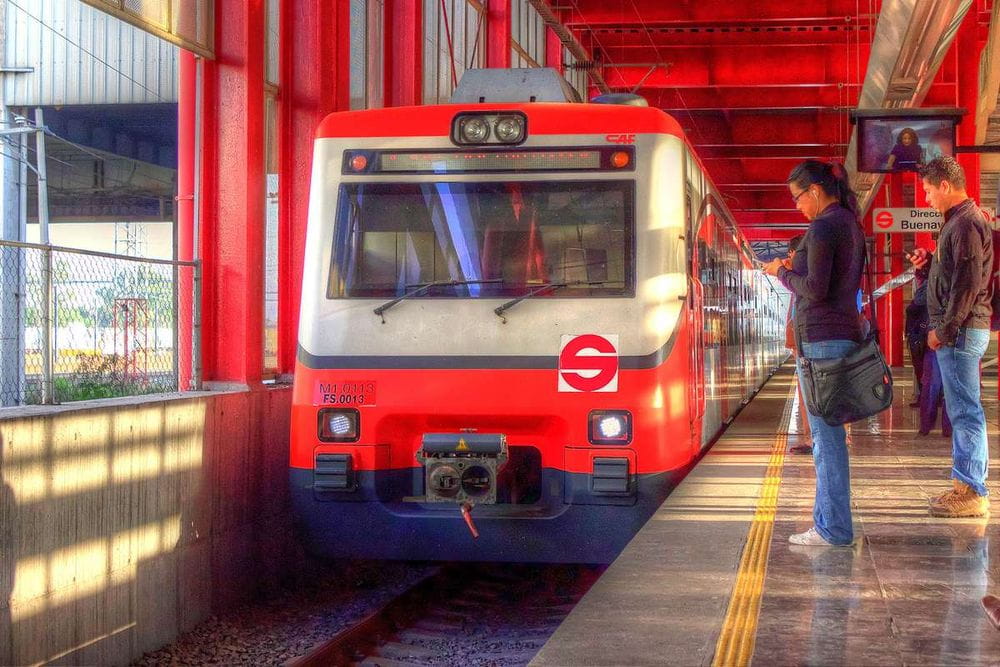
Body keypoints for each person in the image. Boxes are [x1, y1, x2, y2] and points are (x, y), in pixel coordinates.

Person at [763, 159, 864, 547]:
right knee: (829, 437)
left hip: (822, 340)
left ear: (816, 192)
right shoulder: (849, 224)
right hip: (837, 336)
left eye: (798, 197)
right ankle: (828, 523)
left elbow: (816, 288)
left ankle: (833, 528)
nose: (796, 205)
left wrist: (781, 272)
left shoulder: (823, 227)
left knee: (826, 440)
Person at [909, 156, 993, 518]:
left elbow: (968, 285)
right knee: (961, 410)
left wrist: (944, 330)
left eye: (928, 191)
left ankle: (973, 490)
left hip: (960, 330)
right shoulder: (957, 224)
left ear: (945, 185)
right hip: (960, 329)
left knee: (965, 411)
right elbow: (955, 277)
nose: (927, 198)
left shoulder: (964, 225)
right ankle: (963, 484)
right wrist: (929, 265)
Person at [782, 234, 813, 455]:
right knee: (808, 395)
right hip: (803, 343)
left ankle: (813, 440)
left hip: (809, 343)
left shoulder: (806, 277)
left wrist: (784, 272)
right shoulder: (803, 277)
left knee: (811, 395)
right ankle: (811, 438)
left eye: (791, 255)